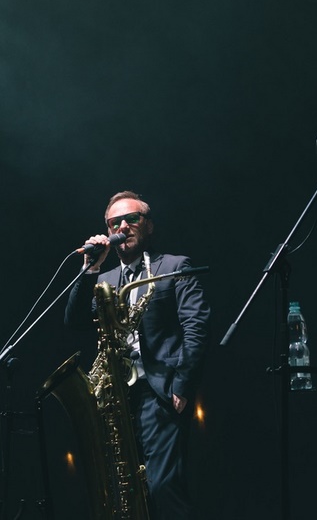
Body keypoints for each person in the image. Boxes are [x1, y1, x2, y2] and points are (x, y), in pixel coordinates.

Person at [64, 190, 210, 520]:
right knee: (125, 491)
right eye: (114, 222)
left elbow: (197, 327)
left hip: (159, 393)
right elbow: (74, 321)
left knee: (163, 487)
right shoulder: (103, 279)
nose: (123, 226)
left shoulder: (173, 266)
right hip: (116, 397)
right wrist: (90, 267)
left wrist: (182, 385)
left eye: (132, 219)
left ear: (148, 225)